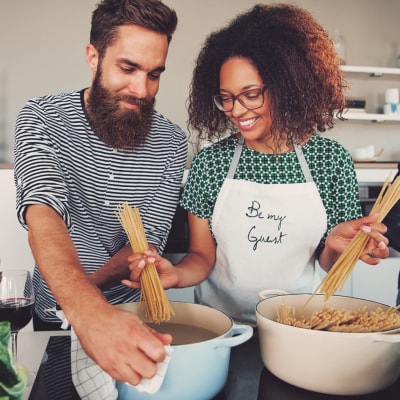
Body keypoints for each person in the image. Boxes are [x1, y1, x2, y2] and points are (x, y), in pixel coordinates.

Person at [124, 4, 389, 398]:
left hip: (301, 333)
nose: (237, 112)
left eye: (251, 95)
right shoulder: (212, 164)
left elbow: (328, 263)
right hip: (222, 333)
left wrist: (340, 246)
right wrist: (175, 274)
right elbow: (202, 257)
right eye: (226, 98)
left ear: (288, 83)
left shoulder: (330, 161)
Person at [13, 0, 187, 386]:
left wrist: (94, 299)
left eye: (154, 74)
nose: (142, 89)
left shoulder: (172, 142)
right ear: (93, 56)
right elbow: (43, 216)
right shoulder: (42, 118)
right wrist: (86, 311)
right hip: (57, 317)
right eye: (128, 68)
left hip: (135, 315)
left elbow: (144, 245)